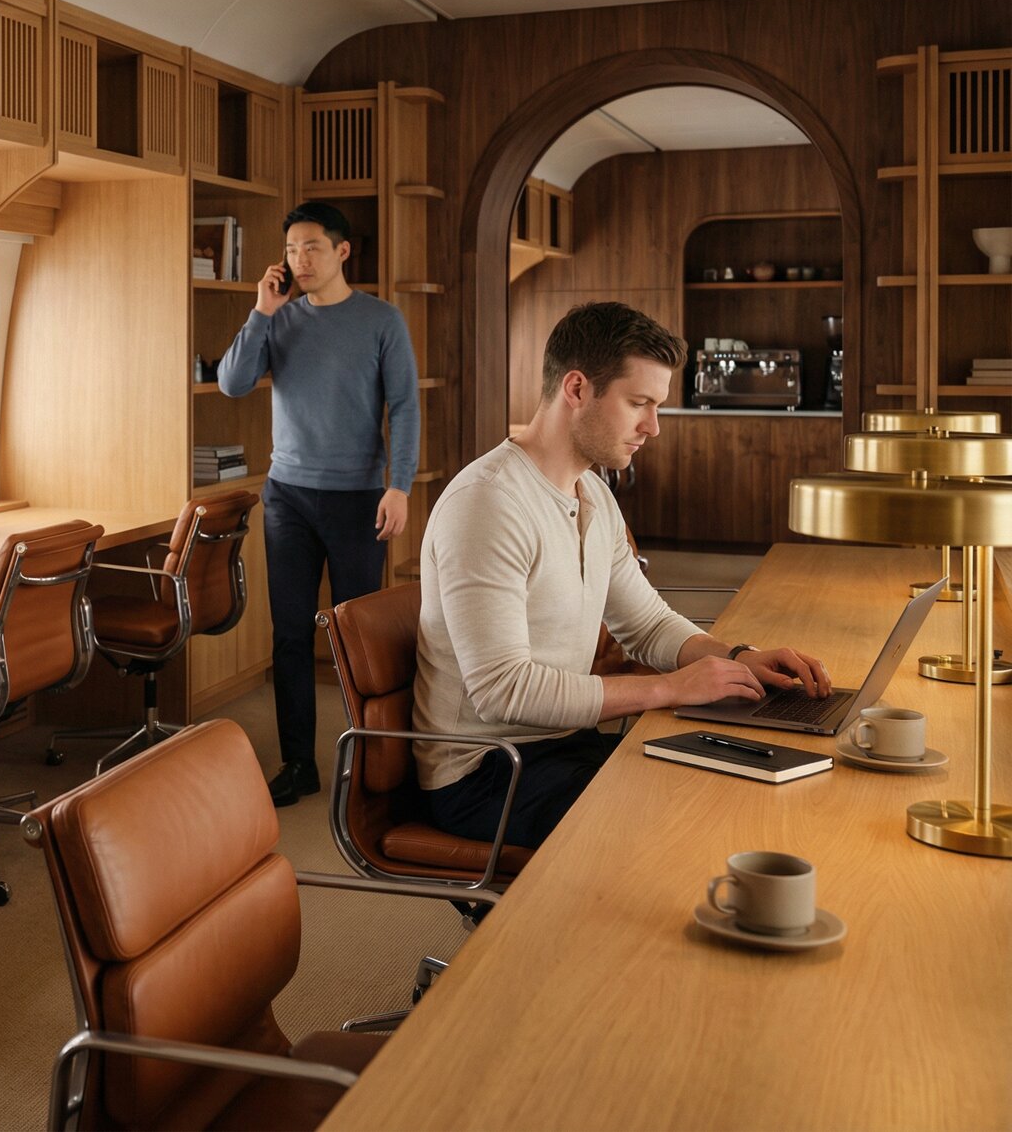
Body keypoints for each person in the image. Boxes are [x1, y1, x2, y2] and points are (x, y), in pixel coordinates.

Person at [415, 301, 830, 850]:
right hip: (486, 770)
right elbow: (502, 691)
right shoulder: (488, 504)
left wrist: (732, 658)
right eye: (639, 403)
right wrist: (669, 688)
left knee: (731, 780)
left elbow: (646, 624)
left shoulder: (594, 493)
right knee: (681, 823)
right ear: (578, 388)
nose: (652, 427)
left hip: (561, 742)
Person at [216, 201, 419, 806]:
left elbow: (404, 407)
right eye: (291, 250)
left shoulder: (382, 320)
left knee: (361, 637)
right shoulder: (277, 318)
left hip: (359, 497)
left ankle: (374, 761)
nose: (299, 260)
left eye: (311, 247)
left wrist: (399, 484)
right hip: (288, 497)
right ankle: (299, 763)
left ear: (341, 251)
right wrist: (260, 313)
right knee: (289, 636)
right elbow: (231, 383)